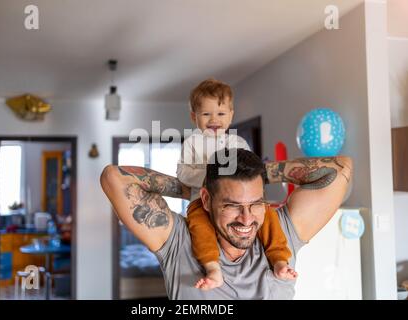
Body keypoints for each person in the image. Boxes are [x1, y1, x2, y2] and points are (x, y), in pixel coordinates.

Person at [100, 148, 352, 299]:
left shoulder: (281, 231)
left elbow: (339, 169)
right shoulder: (177, 240)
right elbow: (114, 178)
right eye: (232, 205)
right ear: (207, 200)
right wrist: (192, 189)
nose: (247, 218)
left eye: (255, 203)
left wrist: (263, 172)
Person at [177, 78, 295, 290]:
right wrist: (211, 174)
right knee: (198, 225)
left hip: (241, 200)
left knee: (268, 215)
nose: (214, 120)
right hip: (201, 203)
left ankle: (279, 260)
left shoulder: (237, 143)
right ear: (194, 117)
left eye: (221, 114)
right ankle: (213, 268)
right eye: (206, 114)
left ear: (231, 116)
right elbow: (183, 172)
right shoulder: (192, 143)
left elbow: (249, 172)